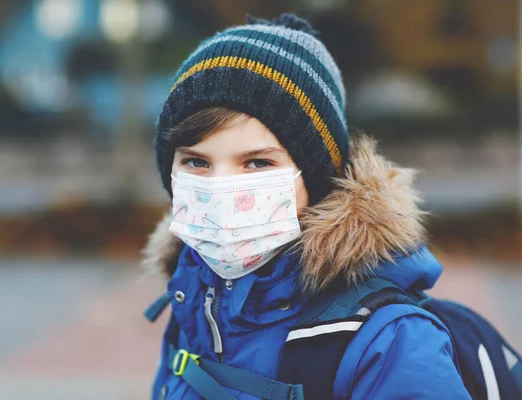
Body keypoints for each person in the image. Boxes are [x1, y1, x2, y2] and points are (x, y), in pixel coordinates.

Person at [142, 13, 499, 400]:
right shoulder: (193, 300)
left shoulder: (389, 341)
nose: (220, 188)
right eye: (196, 161)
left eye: (258, 162)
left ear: (313, 177)